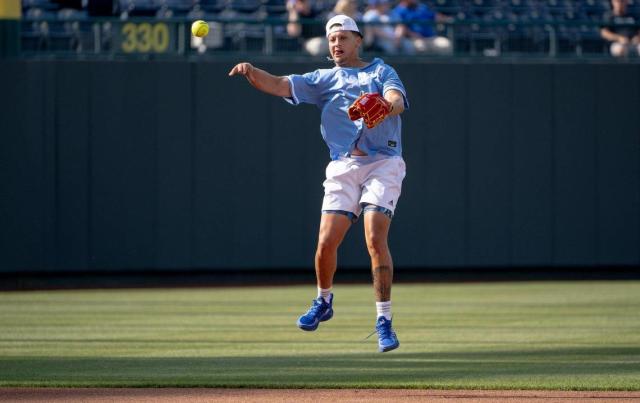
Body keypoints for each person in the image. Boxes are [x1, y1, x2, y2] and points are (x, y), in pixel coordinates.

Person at [229, 15, 409, 353]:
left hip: (383, 162)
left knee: (374, 235)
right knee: (326, 243)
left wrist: (384, 106)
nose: (337, 44)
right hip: (344, 165)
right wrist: (252, 71)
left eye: (343, 38)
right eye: (332, 40)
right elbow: (281, 84)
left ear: (358, 40)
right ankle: (323, 301)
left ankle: (384, 320)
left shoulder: (381, 71)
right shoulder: (324, 79)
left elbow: (397, 101)